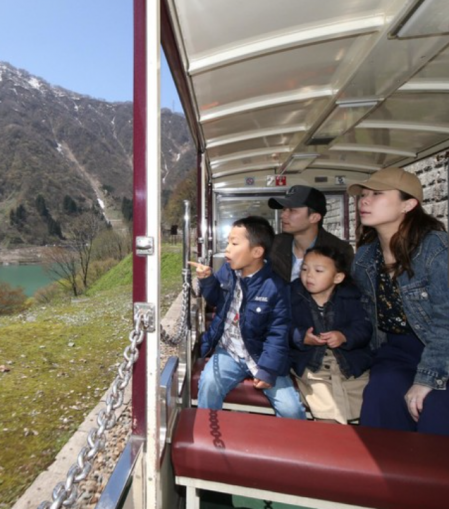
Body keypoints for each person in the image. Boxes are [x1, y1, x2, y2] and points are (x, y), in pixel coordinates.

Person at [349, 167, 449, 435]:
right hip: (395, 350)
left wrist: (427, 379)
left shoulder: (436, 249)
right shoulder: (365, 258)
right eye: (363, 195)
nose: (364, 201)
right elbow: (364, 316)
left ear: (408, 204)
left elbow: (446, 321)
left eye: (377, 194)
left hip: (441, 349)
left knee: (434, 411)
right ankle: (387, 475)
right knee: (381, 395)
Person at [191, 216, 306, 419]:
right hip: (229, 351)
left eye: (234, 243)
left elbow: (278, 333)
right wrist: (207, 280)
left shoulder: (276, 287)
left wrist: (268, 370)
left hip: (262, 355)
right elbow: (215, 298)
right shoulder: (228, 272)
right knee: (209, 384)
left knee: (291, 410)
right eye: (228, 242)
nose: (227, 248)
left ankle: (293, 448)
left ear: (257, 252)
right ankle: (206, 437)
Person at [290, 246, 372, 423]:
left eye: (318, 270)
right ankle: (333, 443)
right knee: (327, 412)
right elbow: (281, 327)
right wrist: (300, 337)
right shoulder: (292, 295)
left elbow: (364, 327)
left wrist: (344, 336)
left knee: (368, 403)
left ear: (338, 277)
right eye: (304, 269)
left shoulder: (350, 298)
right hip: (312, 365)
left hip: (349, 363)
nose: (309, 275)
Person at [268, 185, 353, 282]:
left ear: (314, 218)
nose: (283, 215)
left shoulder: (340, 250)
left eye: (292, 210)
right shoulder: (272, 245)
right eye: (284, 209)